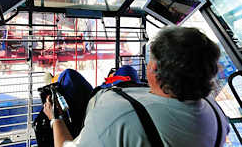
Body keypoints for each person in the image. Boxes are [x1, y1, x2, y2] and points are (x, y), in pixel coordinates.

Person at [43, 26, 230, 147]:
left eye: (151, 60)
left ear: (154, 68)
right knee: (126, 69)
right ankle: (113, 80)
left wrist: (55, 118)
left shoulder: (116, 121)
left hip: (98, 104)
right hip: (126, 93)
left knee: (69, 76)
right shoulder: (216, 113)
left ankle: (56, 81)